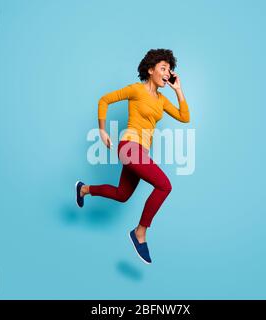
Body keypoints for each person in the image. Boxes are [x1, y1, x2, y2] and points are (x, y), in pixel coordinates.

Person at [75, 49, 190, 264]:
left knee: (122, 194)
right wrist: (102, 130)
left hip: (140, 152)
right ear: (150, 70)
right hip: (129, 146)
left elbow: (185, 117)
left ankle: (84, 189)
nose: (168, 73)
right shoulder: (136, 90)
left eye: (169, 69)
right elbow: (104, 100)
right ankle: (140, 233)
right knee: (165, 186)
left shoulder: (162, 100)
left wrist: (178, 90)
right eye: (163, 68)